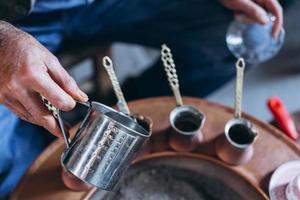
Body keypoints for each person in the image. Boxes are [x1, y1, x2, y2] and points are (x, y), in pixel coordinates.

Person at [0, 0, 283, 196]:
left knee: (252, 36)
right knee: (11, 172)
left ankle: (125, 110)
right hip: (17, 20)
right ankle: (39, 137)